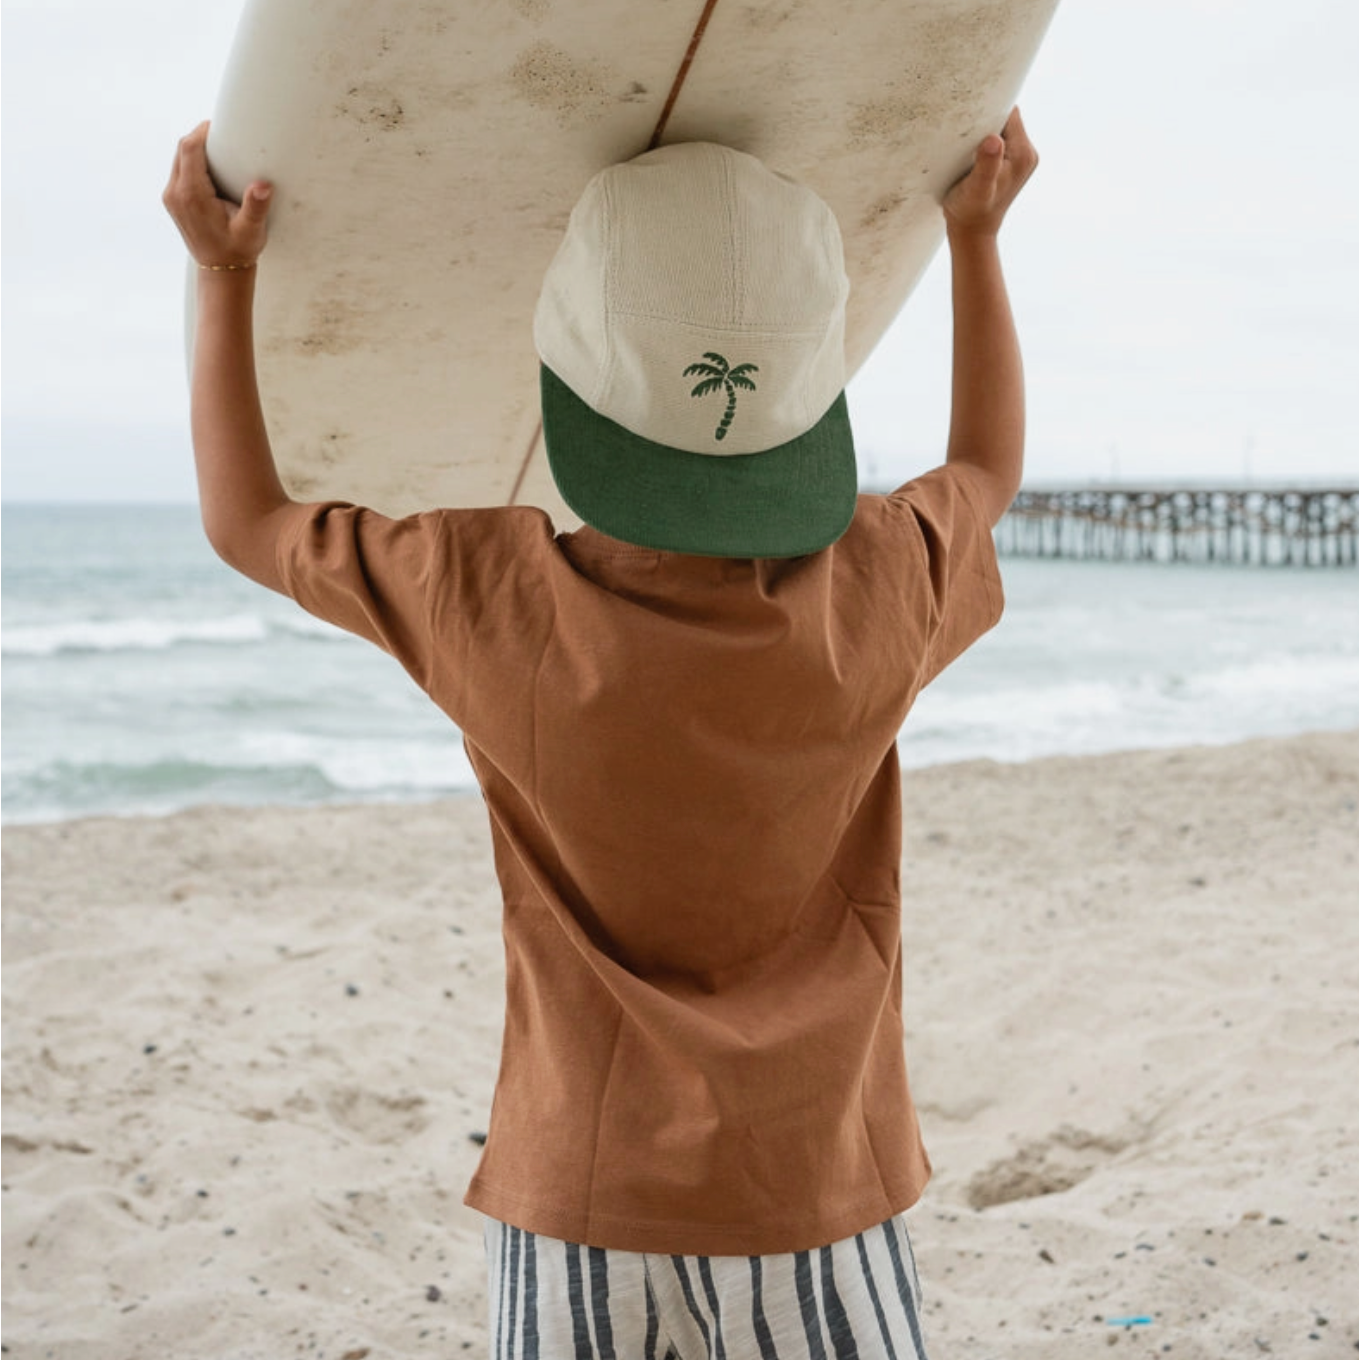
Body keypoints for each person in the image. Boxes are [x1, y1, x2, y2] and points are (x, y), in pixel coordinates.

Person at [163, 108, 1038, 1360]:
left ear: (572, 386)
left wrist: (223, 276)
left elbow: (247, 521)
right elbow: (988, 470)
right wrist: (974, 240)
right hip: (818, 1194)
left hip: (578, 1198)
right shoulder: (882, 584)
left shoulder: (489, 594)